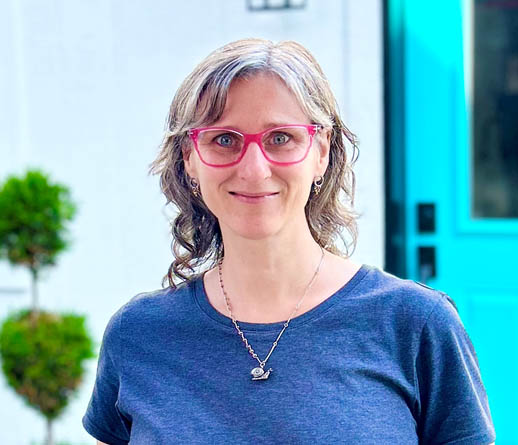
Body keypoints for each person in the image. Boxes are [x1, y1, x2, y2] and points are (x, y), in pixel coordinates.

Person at [82, 38, 496, 444]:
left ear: (322, 152)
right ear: (189, 159)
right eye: (224, 139)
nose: (254, 168)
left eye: (281, 137)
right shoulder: (138, 334)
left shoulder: (415, 323)